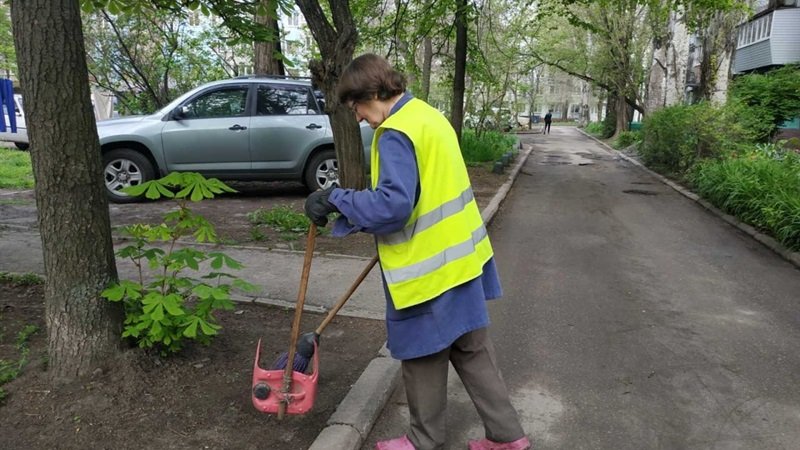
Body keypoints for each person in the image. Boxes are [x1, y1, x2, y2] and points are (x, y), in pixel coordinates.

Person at [304, 53, 530, 450]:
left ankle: (423, 442)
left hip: (427, 272)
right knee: (473, 350)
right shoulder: (427, 115)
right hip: (463, 260)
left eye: (356, 105)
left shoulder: (394, 133)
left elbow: (393, 206)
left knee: (423, 356)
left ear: (373, 92)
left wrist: (337, 198)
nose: (357, 116)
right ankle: (508, 438)